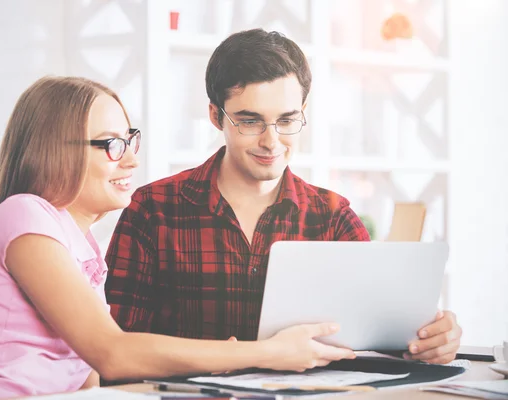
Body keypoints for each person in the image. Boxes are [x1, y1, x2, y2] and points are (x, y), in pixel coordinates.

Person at [0, 76, 357, 400]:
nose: (132, 159)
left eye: (130, 140)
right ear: (52, 150)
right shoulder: (24, 215)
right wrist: (265, 353)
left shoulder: (81, 247)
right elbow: (113, 354)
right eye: (112, 144)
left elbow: (90, 377)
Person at [105, 29, 462, 365]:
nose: (271, 141)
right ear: (216, 116)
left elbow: (378, 343)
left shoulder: (333, 218)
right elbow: (116, 346)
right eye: (250, 121)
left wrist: (429, 341)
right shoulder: (153, 210)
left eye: (288, 120)